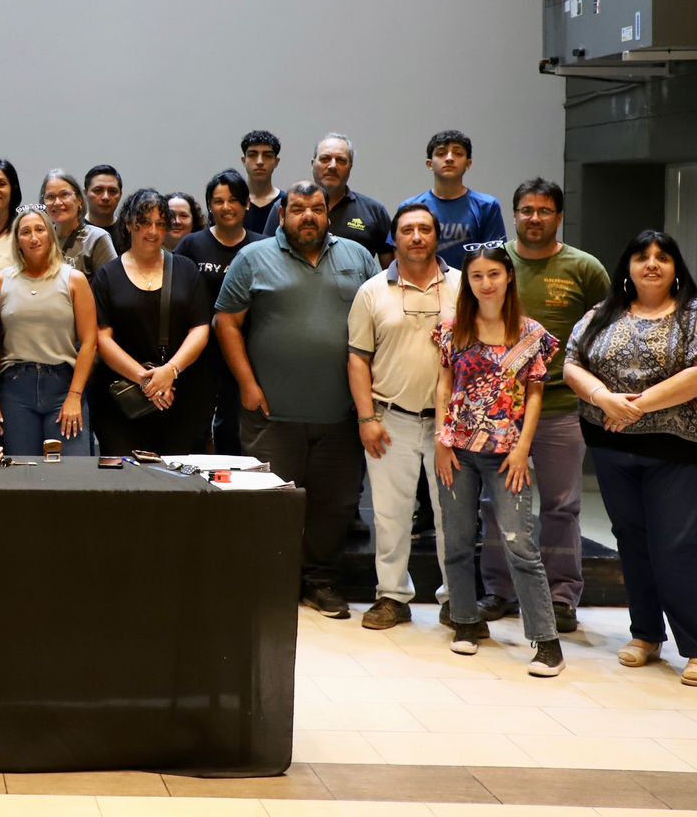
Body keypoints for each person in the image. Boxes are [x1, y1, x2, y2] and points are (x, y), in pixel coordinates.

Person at [564, 231, 697, 687]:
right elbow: (571, 362)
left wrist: (637, 405)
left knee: (676, 545)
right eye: (642, 257)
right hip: (613, 446)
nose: (652, 264)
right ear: (628, 266)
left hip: (680, 451)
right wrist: (602, 396)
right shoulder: (604, 313)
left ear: (676, 267)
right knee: (632, 540)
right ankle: (645, 634)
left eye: (663, 257)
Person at [216, 180, 379, 618]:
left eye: (317, 209)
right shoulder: (253, 258)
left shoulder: (357, 257)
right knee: (271, 505)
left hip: (340, 415)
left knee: (334, 506)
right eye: (299, 208)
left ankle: (320, 582)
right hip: (271, 415)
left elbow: (376, 323)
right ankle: (270, 583)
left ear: (328, 214)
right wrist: (247, 384)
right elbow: (226, 322)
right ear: (282, 214)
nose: (309, 216)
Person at [478, 178, 611, 633]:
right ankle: (499, 590)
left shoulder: (584, 268)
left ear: (559, 216)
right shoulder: (495, 263)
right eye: (527, 210)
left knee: (561, 505)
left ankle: (561, 596)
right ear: (514, 214)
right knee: (495, 503)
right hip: (500, 411)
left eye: (544, 211)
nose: (535, 218)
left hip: (560, 407)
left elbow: (607, 330)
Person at [434, 244, 563, 676]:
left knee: (519, 544)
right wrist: (441, 440)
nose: (485, 283)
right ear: (467, 282)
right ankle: (465, 621)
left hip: (507, 454)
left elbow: (535, 394)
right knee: (456, 540)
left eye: (493, 274)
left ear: (508, 277)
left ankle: (546, 640)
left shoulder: (530, 334)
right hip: (458, 450)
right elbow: (444, 384)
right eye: (477, 276)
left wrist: (523, 448)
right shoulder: (453, 329)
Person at [346, 204, 457, 630]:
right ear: (395, 238)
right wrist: (367, 418)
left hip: (449, 425)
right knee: (391, 516)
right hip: (391, 417)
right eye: (407, 230)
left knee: (452, 516)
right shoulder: (372, 290)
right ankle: (392, 596)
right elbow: (358, 359)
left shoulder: (462, 286)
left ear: (437, 236)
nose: (416, 237)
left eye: (424, 229)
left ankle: (456, 600)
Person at [89, 188, 213, 455]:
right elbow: (102, 338)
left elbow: (200, 328)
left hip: (180, 396)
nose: (153, 231)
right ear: (128, 223)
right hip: (121, 399)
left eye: (160, 223)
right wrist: (145, 381)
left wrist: (170, 370)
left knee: (175, 474)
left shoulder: (186, 269)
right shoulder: (107, 276)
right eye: (144, 223)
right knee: (126, 476)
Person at [0, 206, 98, 457]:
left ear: (50, 235)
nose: (33, 237)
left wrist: (75, 395)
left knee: (70, 471)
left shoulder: (73, 279)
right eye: (25, 232)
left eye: (39, 230)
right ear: (17, 240)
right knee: (21, 471)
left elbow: (90, 342)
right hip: (15, 388)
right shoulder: (0, 281)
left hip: (63, 385)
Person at [175, 169, 264, 454]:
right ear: (210, 207)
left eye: (233, 200)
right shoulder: (191, 245)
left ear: (246, 204)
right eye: (218, 201)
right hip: (199, 353)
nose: (226, 207)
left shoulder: (262, 246)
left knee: (234, 429)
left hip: (246, 352)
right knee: (195, 429)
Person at [270, 134, 393, 263]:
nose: (333, 166)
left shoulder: (374, 211)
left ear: (350, 167)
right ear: (313, 164)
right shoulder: (284, 207)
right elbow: (268, 256)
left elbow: (390, 271)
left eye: (341, 160)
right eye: (325, 159)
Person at [398, 130, 505, 270]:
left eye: (458, 153)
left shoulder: (487, 206)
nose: (449, 158)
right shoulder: (411, 208)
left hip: (470, 282)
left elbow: (495, 258)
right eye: (441, 153)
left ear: (468, 163)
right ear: (429, 164)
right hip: (423, 282)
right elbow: (399, 254)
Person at [40, 169, 117, 276]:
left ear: (79, 200)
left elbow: (114, 282)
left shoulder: (96, 239)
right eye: (50, 197)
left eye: (64, 194)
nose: (57, 202)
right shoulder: (41, 239)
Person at [240, 131, 283, 236]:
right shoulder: (233, 203)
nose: (260, 162)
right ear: (244, 160)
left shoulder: (286, 203)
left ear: (276, 162)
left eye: (267, 155)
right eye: (252, 155)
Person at [83, 165, 123, 233]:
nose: (105, 197)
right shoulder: (72, 230)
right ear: (85, 193)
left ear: (120, 195)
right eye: (98, 190)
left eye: (112, 191)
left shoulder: (129, 231)